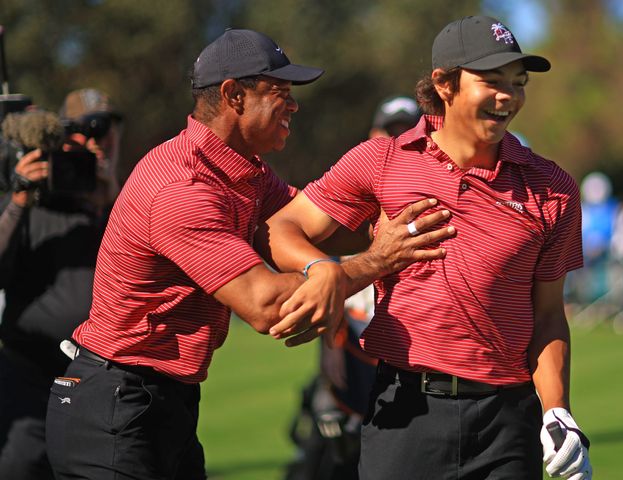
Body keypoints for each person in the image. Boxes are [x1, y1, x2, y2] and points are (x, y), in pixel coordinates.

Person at [43, 29, 453, 480]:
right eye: (280, 93)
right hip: (113, 406)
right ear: (233, 95)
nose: (293, 105)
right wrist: (377, 260)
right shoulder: (182, 188)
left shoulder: (245, 170)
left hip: (159, 401)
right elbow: (266, 305)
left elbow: (316, 229)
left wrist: (413, 203)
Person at [266, 15, 592, 479]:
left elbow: (547, 315)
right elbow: (283, 227)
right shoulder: (381, 161)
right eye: (492, 81)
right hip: (406, 416)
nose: (509, 96)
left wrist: (557, 409)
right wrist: (326, 271)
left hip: (508, 422)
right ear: (444, 84)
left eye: (518, 84)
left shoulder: (553, 188)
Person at [285, 95, 421, 480]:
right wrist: (328, 344)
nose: (395, 143)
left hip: (409, 370)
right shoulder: (351, 205)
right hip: (352, 364)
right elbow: (327, 283)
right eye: (389, 133)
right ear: (374, 135)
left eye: (405, 133)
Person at [0, 89, 123, 480]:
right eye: (81, 133)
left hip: (101, 382)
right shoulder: (30, 200)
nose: (92, 143)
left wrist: (110, 202)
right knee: (19, 467)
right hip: (29, 374)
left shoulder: (120, 206)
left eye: (103, 131)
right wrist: (20, 198)